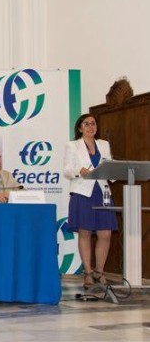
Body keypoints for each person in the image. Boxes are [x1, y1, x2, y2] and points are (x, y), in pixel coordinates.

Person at [63, 113, 117, 288]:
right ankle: (87, 272)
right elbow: (67, 170)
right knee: (85, 233)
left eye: (93, 123)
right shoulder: (72, 145)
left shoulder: (104, 144)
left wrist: (117, 170)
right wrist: (80, 170)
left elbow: (109, 165)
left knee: (105, 233)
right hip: (82, 192)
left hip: (102, 192)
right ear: (80, 128)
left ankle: (99, 272)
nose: (90, 126)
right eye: (86, 124)